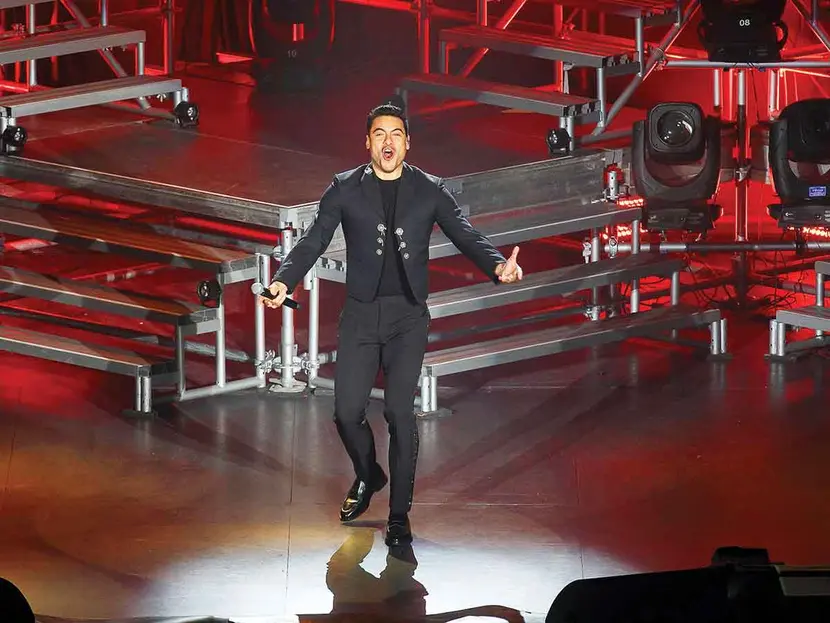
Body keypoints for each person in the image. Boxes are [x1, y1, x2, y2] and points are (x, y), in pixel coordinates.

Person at [261, 100, 523, 547]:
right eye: (379, 134)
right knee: (346, 413)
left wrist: (498, 266)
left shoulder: (430, 189)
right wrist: (285, 280)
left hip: (407, 318)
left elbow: (465, 233)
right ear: (367, 142)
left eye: (396, 134)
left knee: (401, 412)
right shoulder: (344, 188)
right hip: (361, 316)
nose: (388, 142)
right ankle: (369, 475)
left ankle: (399, 516)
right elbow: (313, 239)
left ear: (407, 142)